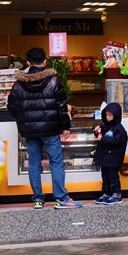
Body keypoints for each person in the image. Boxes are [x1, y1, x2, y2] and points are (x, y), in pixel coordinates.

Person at [7, 47, 82, 209]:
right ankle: (61, 198)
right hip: (51, 130)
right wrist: (65, 127)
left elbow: (11, 106)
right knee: (56, 162)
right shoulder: (54, 81)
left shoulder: (19, 84)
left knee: (34, 163)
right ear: (45, 61)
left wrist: (24, 120)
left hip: (30, 131)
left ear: (28, 62)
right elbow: (62, 106)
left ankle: (38, 200)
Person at [93, 103, 128, 205]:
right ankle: (106, 193)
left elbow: (117, 141)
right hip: (105, 158)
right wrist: (96, 132)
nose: (107, 117)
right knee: (105, 177)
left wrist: (102, 138)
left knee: (113, 177)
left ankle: (117, 195)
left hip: (113, 159)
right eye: (106, 115)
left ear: (116, 115)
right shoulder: (107, 127)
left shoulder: (119, 129)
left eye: (110, 115)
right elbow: (101, 134)